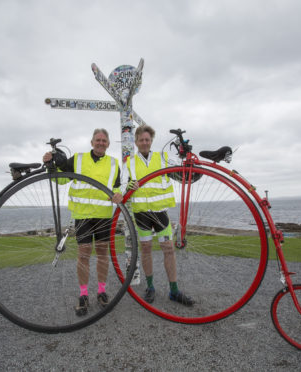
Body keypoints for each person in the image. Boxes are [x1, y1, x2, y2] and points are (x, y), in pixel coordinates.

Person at [43, 129, 123, 316]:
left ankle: (102, 291)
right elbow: (62, 180)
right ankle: (83, 295)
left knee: (103, 254)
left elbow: (117, 186)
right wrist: (50, 165)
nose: (101, 143)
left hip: (103, 215)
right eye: (98, 140)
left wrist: (119, 194)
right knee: (84, 254)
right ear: (92, 142)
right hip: (83, 215)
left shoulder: (113, 163)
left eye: (104, 140)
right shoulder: (78, 159)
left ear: (108, 143)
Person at [125, 125, 194, 306]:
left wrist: (189, 168)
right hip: (141, 214)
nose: (145, 142)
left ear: (151, 141)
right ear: (136, 142)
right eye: (141, 140)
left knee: (169, 249)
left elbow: (180, 174)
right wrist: (127, 186)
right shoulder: (129, 162)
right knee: (146, 248)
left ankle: (174, 290)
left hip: (160, 213)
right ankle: (150, 287)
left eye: (147, 140)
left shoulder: (162, 158)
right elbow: (121, 185)